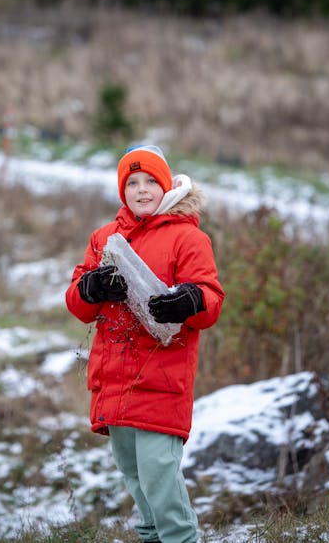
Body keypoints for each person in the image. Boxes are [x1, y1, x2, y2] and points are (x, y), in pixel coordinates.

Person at [65, 145, 225, 543]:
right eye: (132, 183)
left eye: (150, 181)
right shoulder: (105, 237)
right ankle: (152, 536)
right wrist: (91, 287)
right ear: (123, 191)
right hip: (114, 379)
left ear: (166, 185)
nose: (141, 190)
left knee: (159, 472)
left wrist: (189, 300)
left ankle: (179, 538)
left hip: (161, 378)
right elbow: (77, 304)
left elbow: (211, 299)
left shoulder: (188, 237)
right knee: (134, 473)